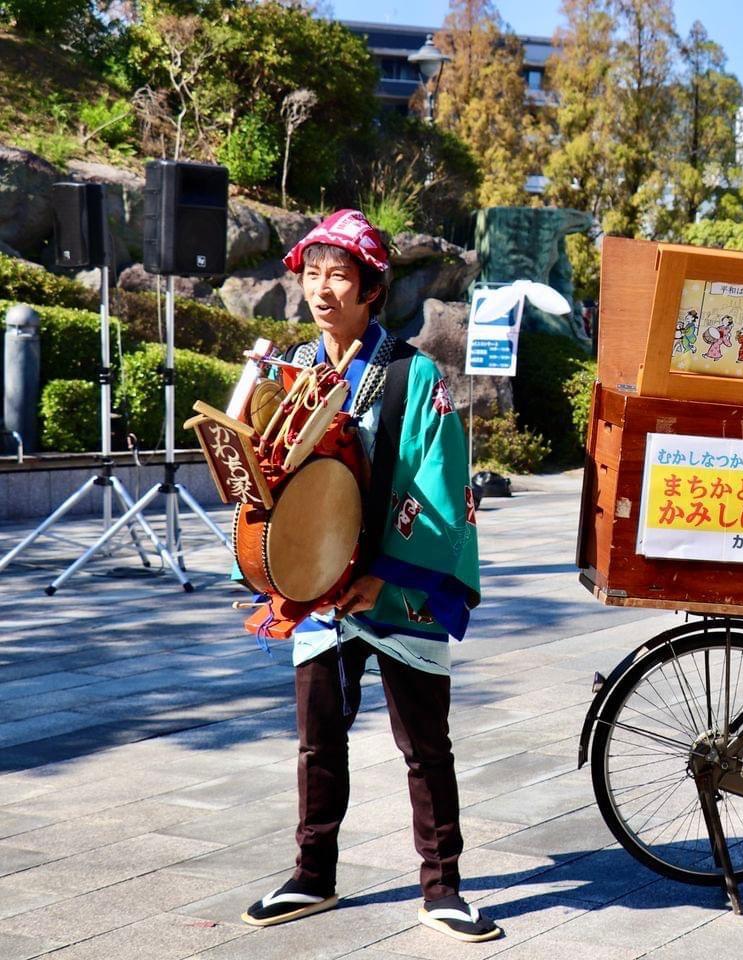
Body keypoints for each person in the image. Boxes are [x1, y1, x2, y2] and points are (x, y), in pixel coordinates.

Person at [239, 210, 496, 943]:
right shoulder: (293, 368)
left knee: (425, 745)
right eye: (312, 273)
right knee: (318, 737)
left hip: (395, 589)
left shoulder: (414, 376)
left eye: (339, 275)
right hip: (320, 587)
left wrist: (385, 577)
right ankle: (311, 875)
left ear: (372, 288)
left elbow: (440, 482)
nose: (322, 289)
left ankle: (442, 885)